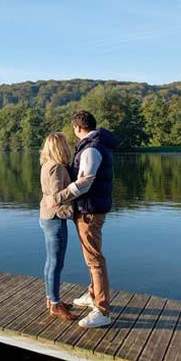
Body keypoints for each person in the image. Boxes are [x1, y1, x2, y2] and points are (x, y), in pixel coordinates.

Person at [66, 111, 119, 328]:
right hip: (91, 209)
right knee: (92, 256)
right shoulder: (96, 145)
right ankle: (93, 294)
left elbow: (85, 182)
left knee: (94, 259)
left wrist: (61, 195)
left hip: (89, 211)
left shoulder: (90, 149)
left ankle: (102, 310)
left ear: (78, 128)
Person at [39, 132, 89, 321]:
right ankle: (54, 305)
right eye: (65, 143)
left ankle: (51, 299)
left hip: (47, 216)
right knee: (55, 263)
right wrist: (78, 185)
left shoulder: (46, 164)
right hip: (54, 218)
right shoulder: (57, 167)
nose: (68, 146)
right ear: (60, 146)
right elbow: (56, 195)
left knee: (51, 261)